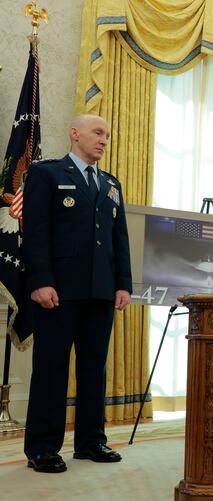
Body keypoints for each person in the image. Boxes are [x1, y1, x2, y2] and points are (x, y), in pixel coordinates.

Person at [22, 114, 132, 473]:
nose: (104, 140)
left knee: (92, 370)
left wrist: (122, 284)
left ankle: (90, 441)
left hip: (100, 292)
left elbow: (120, 240)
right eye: (98, 132)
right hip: (58, 291)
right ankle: (42, 447)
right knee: (51, 368)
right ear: (75, 133)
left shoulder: (111, 184)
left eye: (108, 135)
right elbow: (36, 232)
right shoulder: (47, 174)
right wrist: (40, 280)